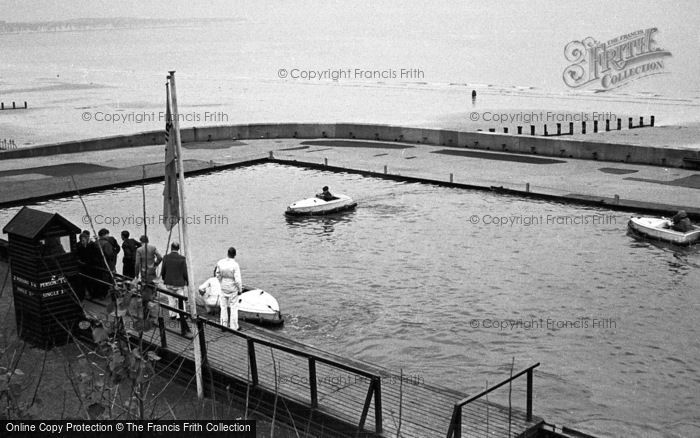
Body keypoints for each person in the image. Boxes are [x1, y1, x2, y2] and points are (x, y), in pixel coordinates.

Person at [161, 242, 191, 335]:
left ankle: (172, 314)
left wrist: (164, 278)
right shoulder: (182, 259)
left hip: (169, 282)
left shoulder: (165, 257)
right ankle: (180, 315)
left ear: (171, 248)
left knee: (171, 299)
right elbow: (184, 272)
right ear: (178, 248)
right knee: (180, 299)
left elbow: (163, 270)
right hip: (179, 283)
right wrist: (187, 280)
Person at [215, 247, 242, 330]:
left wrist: (221, 282)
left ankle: (223, 325)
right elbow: (237, 280)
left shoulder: (220, 262)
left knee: (223, 307)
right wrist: (240, 289)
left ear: (227, 253)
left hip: (223, 286)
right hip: (232, 287)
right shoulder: (235, 265)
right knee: (233, 307)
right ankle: (234, 326)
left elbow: (217, 274)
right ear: (235, 255)